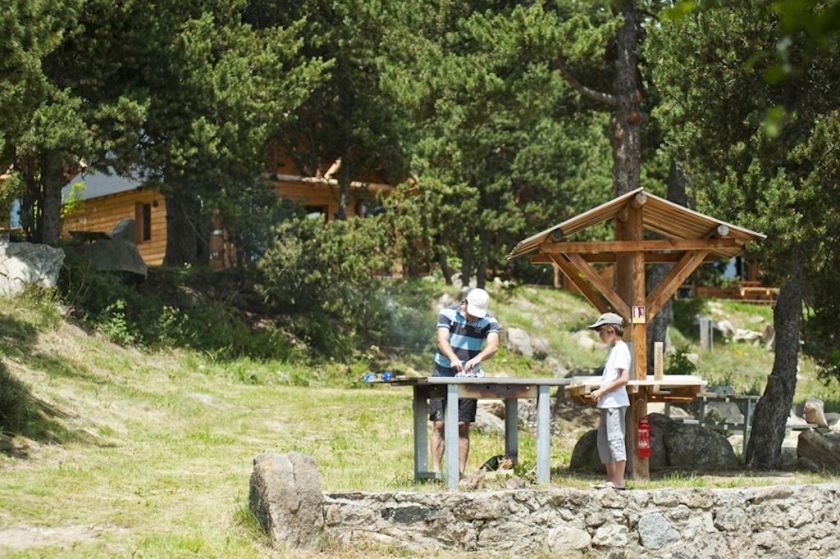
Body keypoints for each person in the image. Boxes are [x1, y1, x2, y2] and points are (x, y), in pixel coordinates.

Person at [430, 288, 501, 475]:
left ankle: (459, 473)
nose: (473, 317)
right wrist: (453, 358)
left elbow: (494, 345)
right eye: (471, 313)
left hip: (469, 376)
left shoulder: (488, 321)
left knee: (463, 424)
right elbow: (442, 340)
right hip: (443, 371)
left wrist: (477, 359)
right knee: (440, 424)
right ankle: (436, 472)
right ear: (465, 303)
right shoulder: (447, 314)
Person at [588, 312, 631, 490]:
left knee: (615, 439)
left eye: (601, 332)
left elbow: (623, 378)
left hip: (615, 402)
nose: (600, 336)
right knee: (603, 440)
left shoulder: (621, 349)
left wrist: (601, 390)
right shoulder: (614, 350)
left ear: (611, 330)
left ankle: (618, 480)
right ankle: (611, 478)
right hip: (607, 402)